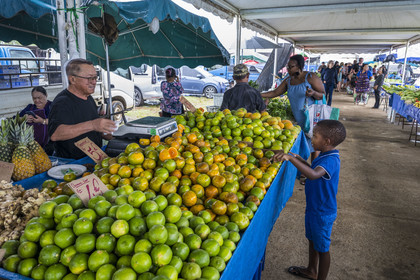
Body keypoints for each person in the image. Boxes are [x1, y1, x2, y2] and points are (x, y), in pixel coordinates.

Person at [274, 120, 346, 280]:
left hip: (323, 212)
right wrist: (297, 158)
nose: (312, 139)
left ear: (327, 141)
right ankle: (311, 270)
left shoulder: (331, 160)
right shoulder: (325, 155)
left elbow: (313, 175)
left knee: (323, 248)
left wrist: (291, 159)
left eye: (315, 136)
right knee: (312, 240)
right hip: (314, 208)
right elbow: (312, 170)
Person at [48, 58, 116, 159]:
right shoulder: (62, 102)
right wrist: (93, 124)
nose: (93, 82)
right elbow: (56, 134)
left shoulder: (88, 98)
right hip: (72, 164)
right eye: (89, 78)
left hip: (93, 158)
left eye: (95, 77)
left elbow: (91, 128)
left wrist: (108, 132)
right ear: (73, 79)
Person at [261, 54, 325, 161]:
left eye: (291, 67)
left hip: (311, 117)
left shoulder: (310, 77)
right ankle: (304, 169)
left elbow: (322, 94)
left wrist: (313, 93)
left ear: (299, 66)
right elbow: (275, 92)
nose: (288, 69)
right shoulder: (288, 80)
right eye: (288, 67)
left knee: (315, 143)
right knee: (303, 144)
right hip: (298, 117)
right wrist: (259, 94)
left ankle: (313, 168)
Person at [19, 86, 52, 152]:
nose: (37, 100)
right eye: (34, 98)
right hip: (32, 147)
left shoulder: (52, 106)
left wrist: (43, 121)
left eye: (39, 98)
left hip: (50, 146)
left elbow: (58, 121)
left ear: (46, 95)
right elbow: (15, 119)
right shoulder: (30, 107)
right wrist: (24, 118)